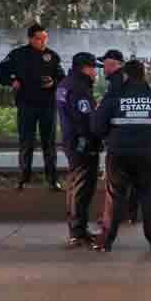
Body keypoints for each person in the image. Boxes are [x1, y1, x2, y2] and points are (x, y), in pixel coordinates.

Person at [89, 60, 151, 252]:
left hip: (118, 153)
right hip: (146, 152)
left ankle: (105, 242)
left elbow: (96, 126)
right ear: (143, 75)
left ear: (125, 75)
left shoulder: (113, 97)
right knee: (147, 196)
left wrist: (110, 138)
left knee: (115, 197)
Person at [0, 23, 65, 191]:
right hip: (26, 105)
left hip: (47, 105)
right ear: (30, 39)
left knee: (49, 143)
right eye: (38, 39)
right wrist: (12, 81)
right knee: (27, 142)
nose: (42, 42)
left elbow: (62, 77)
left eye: (44, 38)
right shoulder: (18, 55)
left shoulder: (52, 56)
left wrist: (53, 82)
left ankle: (52, 179)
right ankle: (24, 178)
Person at [57, 52, 102, 248]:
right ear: (85, 68)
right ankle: (77, 231)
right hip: (82, 143)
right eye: (94, 68)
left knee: (76, 185)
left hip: (72, 141)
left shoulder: (65, 84)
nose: (96, 73)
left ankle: (79, 229)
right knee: (82, 188)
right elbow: (84, 120)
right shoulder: (79, 88)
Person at [96, 49, 137, 225]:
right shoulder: (126, 80)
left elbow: (111, 107)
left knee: (116, 181)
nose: (102, 68)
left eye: (104, 64)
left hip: (119, 138)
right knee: (130, 178)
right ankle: (128, 214)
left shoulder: (117, 81)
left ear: (114, 64)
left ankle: (114, 217)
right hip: (132, 136)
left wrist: (100, 107)